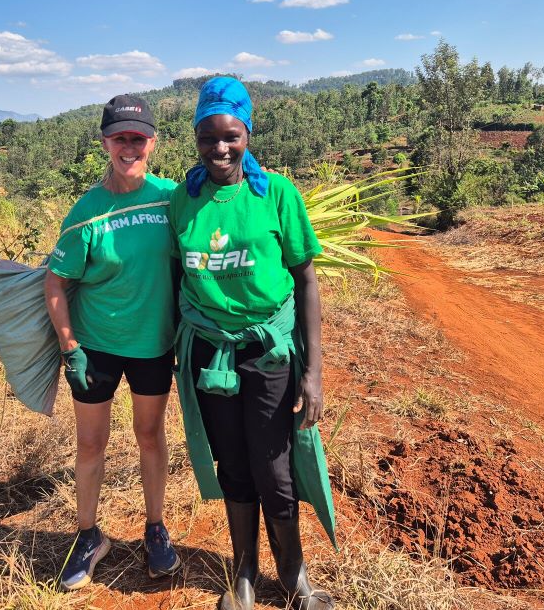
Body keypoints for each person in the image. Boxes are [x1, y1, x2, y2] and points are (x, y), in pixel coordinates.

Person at [169, 77, 335, 610]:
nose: (219, 149)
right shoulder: (183, 200)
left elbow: (306, 279)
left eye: (230, 136)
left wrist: (313, 374)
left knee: (274, 467)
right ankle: (243, 573)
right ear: (196, 139)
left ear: (247, 133)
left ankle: (293, 576)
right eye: (208, 139)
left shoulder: (278, 195)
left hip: (267, 352)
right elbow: (175, 279)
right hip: (209, 355)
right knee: (233, 465)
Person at [44, 94, 181, 590]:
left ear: (153, 142)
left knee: (150, 435)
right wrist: (69, 347)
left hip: (153, 344)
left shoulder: (172, 200)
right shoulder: (87, 212)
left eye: (138, 137)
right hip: (96, 346)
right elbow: (56, 282)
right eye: (120, 137)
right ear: (105, 143)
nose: (129, 146)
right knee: (90, 443)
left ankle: (155, 528)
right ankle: (88, 535)